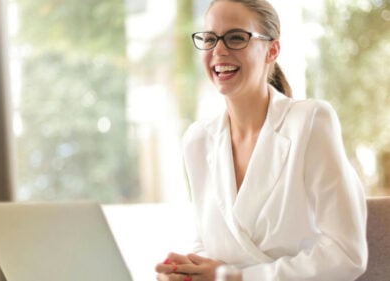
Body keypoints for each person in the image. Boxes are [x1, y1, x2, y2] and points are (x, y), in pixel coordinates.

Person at [155, 0, 368, 280]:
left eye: (235, 38)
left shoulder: (310, 121)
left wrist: (236, 278)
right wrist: (186, 272)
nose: (219, 50)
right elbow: (208, 244)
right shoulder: (198, 140)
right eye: (209, 39)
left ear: (272, 50)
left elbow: (347, 255)